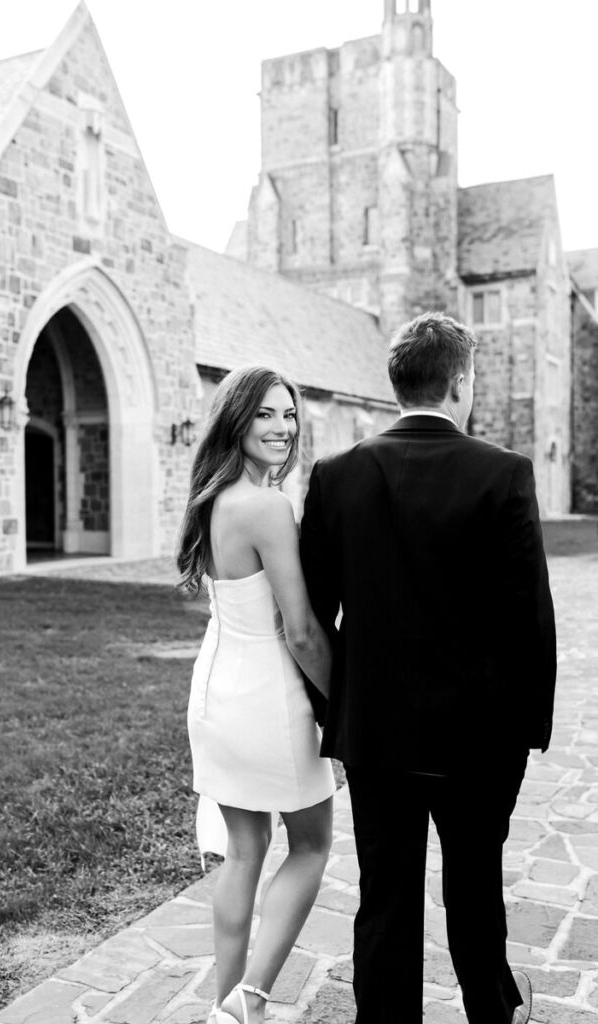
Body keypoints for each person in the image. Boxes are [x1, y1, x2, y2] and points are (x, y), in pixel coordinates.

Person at [299, 312, 556, 1024]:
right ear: (460, 381)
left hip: (376, 734)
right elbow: (527, 613)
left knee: (385, 894)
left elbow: (312, 616)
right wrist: (530, 724)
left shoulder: (334, 477)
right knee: (474, 890)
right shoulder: (502, 474)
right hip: (479, 738)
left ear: (397, 383)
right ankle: (488, 1013)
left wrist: (341, 709)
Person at [177, 365, 336, 1024]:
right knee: (309, 845)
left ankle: (223, 1005)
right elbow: (299, 631)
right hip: (268, 699)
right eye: (266, 414)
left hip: (216, 692)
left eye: (289, 414)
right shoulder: (266, 505)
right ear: (236, 420)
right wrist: (343, 706)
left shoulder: (211, 497)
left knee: (242, 852)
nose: (281, 427)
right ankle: (248, 1001)